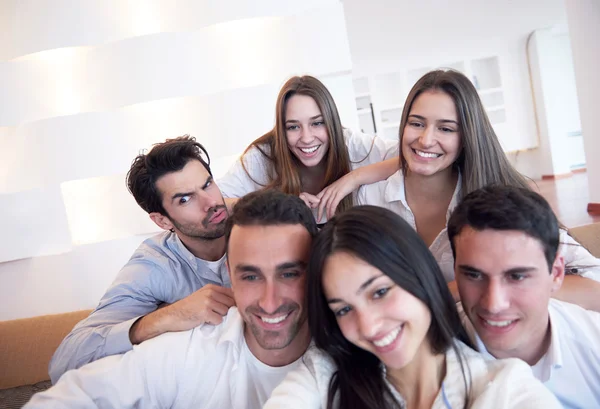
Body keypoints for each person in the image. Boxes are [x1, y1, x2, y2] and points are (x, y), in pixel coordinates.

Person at [26, 190, 317, 409]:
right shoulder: (193, 348)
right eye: (250, 277)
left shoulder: (348, 345)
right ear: (229, 273)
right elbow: (75, 394)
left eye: (289, 274)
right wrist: (164, 319)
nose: (269, 301)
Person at [264, 206, 561, 409]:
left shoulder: (504, 390)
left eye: (379, 292)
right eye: (343, 309)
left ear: (418, 275)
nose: (368, 326)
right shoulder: (328, 375)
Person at [355, 69, 600, 306]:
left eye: (446, 128)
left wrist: (450, 293)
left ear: (467, 138)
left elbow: (593, 279)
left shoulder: (501, 201)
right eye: (417, 124)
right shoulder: (369, 199)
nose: (426, 139)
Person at [49, 136, 235, 383]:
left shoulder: (261, 224)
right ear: (162, 221)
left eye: (208, 184)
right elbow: (66, 361)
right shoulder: (153, 265)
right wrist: (169, 317)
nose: (210, 203)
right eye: (185, 199)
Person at [448, 185, 600, 408]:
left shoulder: (593, 341)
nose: (494, 304)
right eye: (473, 275)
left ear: (556, 273)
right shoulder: (430, 359)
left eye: (517, 276)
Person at [217, 75, 399, 223]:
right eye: (293, 127)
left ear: (331, 122)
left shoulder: (350, 144)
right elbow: (215, 204)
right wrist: (275, 204)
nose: (306, 138)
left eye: (317, 123)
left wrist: (353, 179)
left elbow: (411, 158)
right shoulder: (262, 157)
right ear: (282, 129)